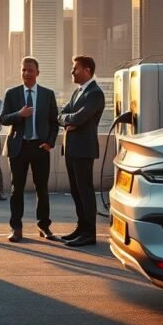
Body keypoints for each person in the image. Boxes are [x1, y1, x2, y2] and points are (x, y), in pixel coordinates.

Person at [0, 57, 59, 242]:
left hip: (40, 147)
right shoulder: (12, 93)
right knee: (17, 190)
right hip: (19, 147)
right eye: (23, 70)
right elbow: (3, 119)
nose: (26, 73)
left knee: (42, 189)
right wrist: (19, 114)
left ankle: (44, 227)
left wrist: (50, 142)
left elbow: (54, 123)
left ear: (37, 73)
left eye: (30, 70)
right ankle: (16, 228)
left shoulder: (47, 94)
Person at [57, 55, 105, 248]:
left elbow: (79, 118)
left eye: (75, 68)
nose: (72, 71)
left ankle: (89, 233)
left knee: (85, 191)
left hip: (84, 149)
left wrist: (70, 120)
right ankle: (81, 228)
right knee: (76, 191)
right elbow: (61, 115)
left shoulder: (95, 93)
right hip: (71, 148)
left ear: (87, 70)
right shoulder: (77, 92)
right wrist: (68, 120)